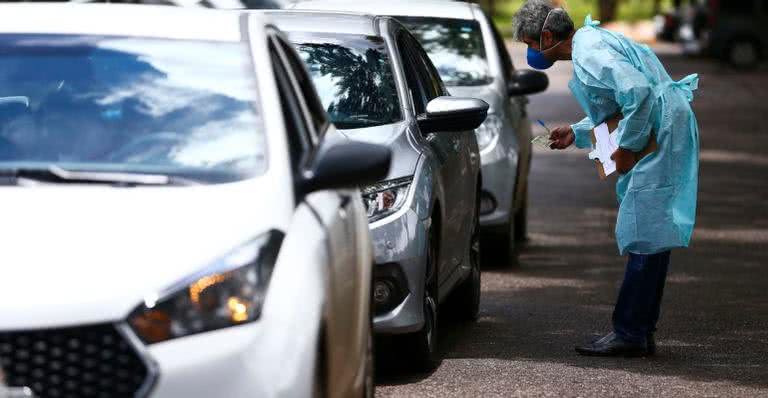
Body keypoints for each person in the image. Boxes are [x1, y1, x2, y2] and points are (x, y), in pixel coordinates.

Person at [513, 0, 700, 357]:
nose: (530, 53)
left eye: (529, 43)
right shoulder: (591, 41)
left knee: (644, 233)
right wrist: (579, 132)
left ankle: (630, 331)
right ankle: (639, 329)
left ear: (548, 36)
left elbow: (638, 94)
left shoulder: (590, 54)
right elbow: (618, 106)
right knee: (651, 233)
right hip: (660, 129)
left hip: (656, 134)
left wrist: (627, 147)